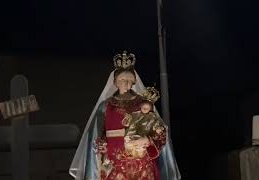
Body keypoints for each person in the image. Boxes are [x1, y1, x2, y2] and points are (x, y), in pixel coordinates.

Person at [69, 51, 180, 180]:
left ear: (134, 82)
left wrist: (147, 140)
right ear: (115, 82)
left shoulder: (144, 104)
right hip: (114, 163)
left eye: (129, 80)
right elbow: (95, 135)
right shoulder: (106, 106)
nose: (125, 83)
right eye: (122, 79)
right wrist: (101, 145)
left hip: (142, 162)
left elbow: (159, 131)